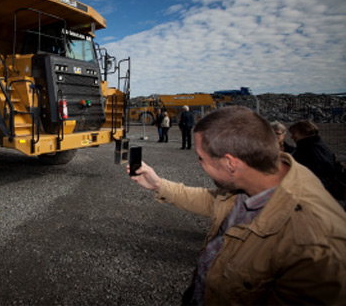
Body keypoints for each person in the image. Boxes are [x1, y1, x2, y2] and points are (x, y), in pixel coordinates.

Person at [126, 106, 346, 305]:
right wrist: (158, 185)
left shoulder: (315, 248)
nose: (199, 163)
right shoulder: (258, 181)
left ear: (230, 163)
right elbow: (212, 200)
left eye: (201, 158)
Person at [289, 120, 344, 200]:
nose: (292, 137)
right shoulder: (318, 146)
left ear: (304, 132)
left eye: (294, 133)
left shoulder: (308, 149)